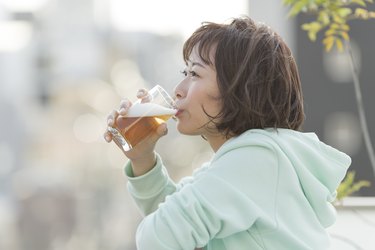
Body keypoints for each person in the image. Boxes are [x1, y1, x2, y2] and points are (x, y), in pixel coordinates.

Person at [104, 16, 351, 250]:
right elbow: (170, 219)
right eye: (184, 73)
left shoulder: (254, 159)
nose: (178, 90)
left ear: (240, 89)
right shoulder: (243, 162)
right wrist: (142, 159)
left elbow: (157, 238)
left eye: (194, 74)